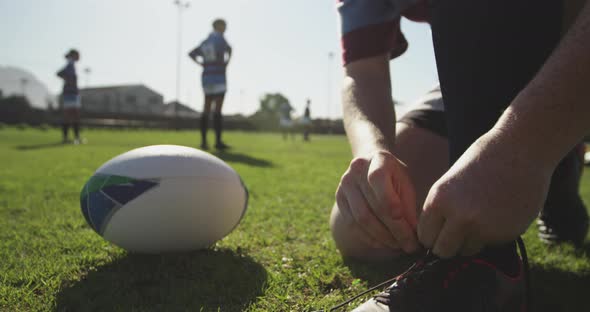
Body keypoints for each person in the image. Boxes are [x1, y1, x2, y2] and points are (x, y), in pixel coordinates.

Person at [332, 0, 590, 311]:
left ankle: (486, 259)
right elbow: (362, 72)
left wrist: (527, 147)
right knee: (364, 228)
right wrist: (371, 150)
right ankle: (564, 156)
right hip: (488, 67)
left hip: (573, 47)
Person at [189, 18, 232, 150]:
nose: (225, 28)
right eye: (223, 26)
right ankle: (218, 142)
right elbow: (229, 49)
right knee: (217, 110)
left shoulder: (205, 41)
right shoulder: (220, 39)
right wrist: (227, 62)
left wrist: (202, 64)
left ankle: (203, 142)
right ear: (218, 26)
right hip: (218, 76)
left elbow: (192, 54)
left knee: (206, 109)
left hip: (207, 77)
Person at [56, 49, 82, 144]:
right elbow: (59, 73)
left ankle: (74, 138)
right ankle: (70, 138)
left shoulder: (72, 65)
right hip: (69, 93)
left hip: (73, 93)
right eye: (78, 55)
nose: (79, 57)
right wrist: (68, 80)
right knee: (71, 116)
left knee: (74, 116)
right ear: (74, 55)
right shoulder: (70, 65)